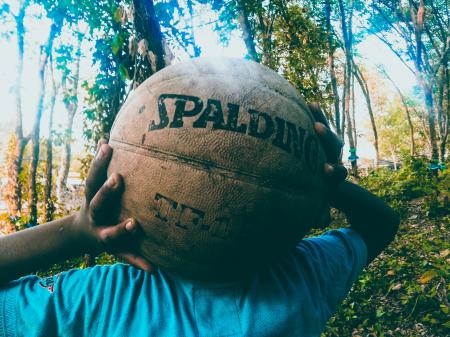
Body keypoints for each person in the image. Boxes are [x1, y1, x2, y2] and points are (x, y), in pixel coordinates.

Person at [0, 104, 399, 337]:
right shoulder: (302, 278)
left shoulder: (99, 299)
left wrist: (77, 231)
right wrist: (324, 179)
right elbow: (380, 225)